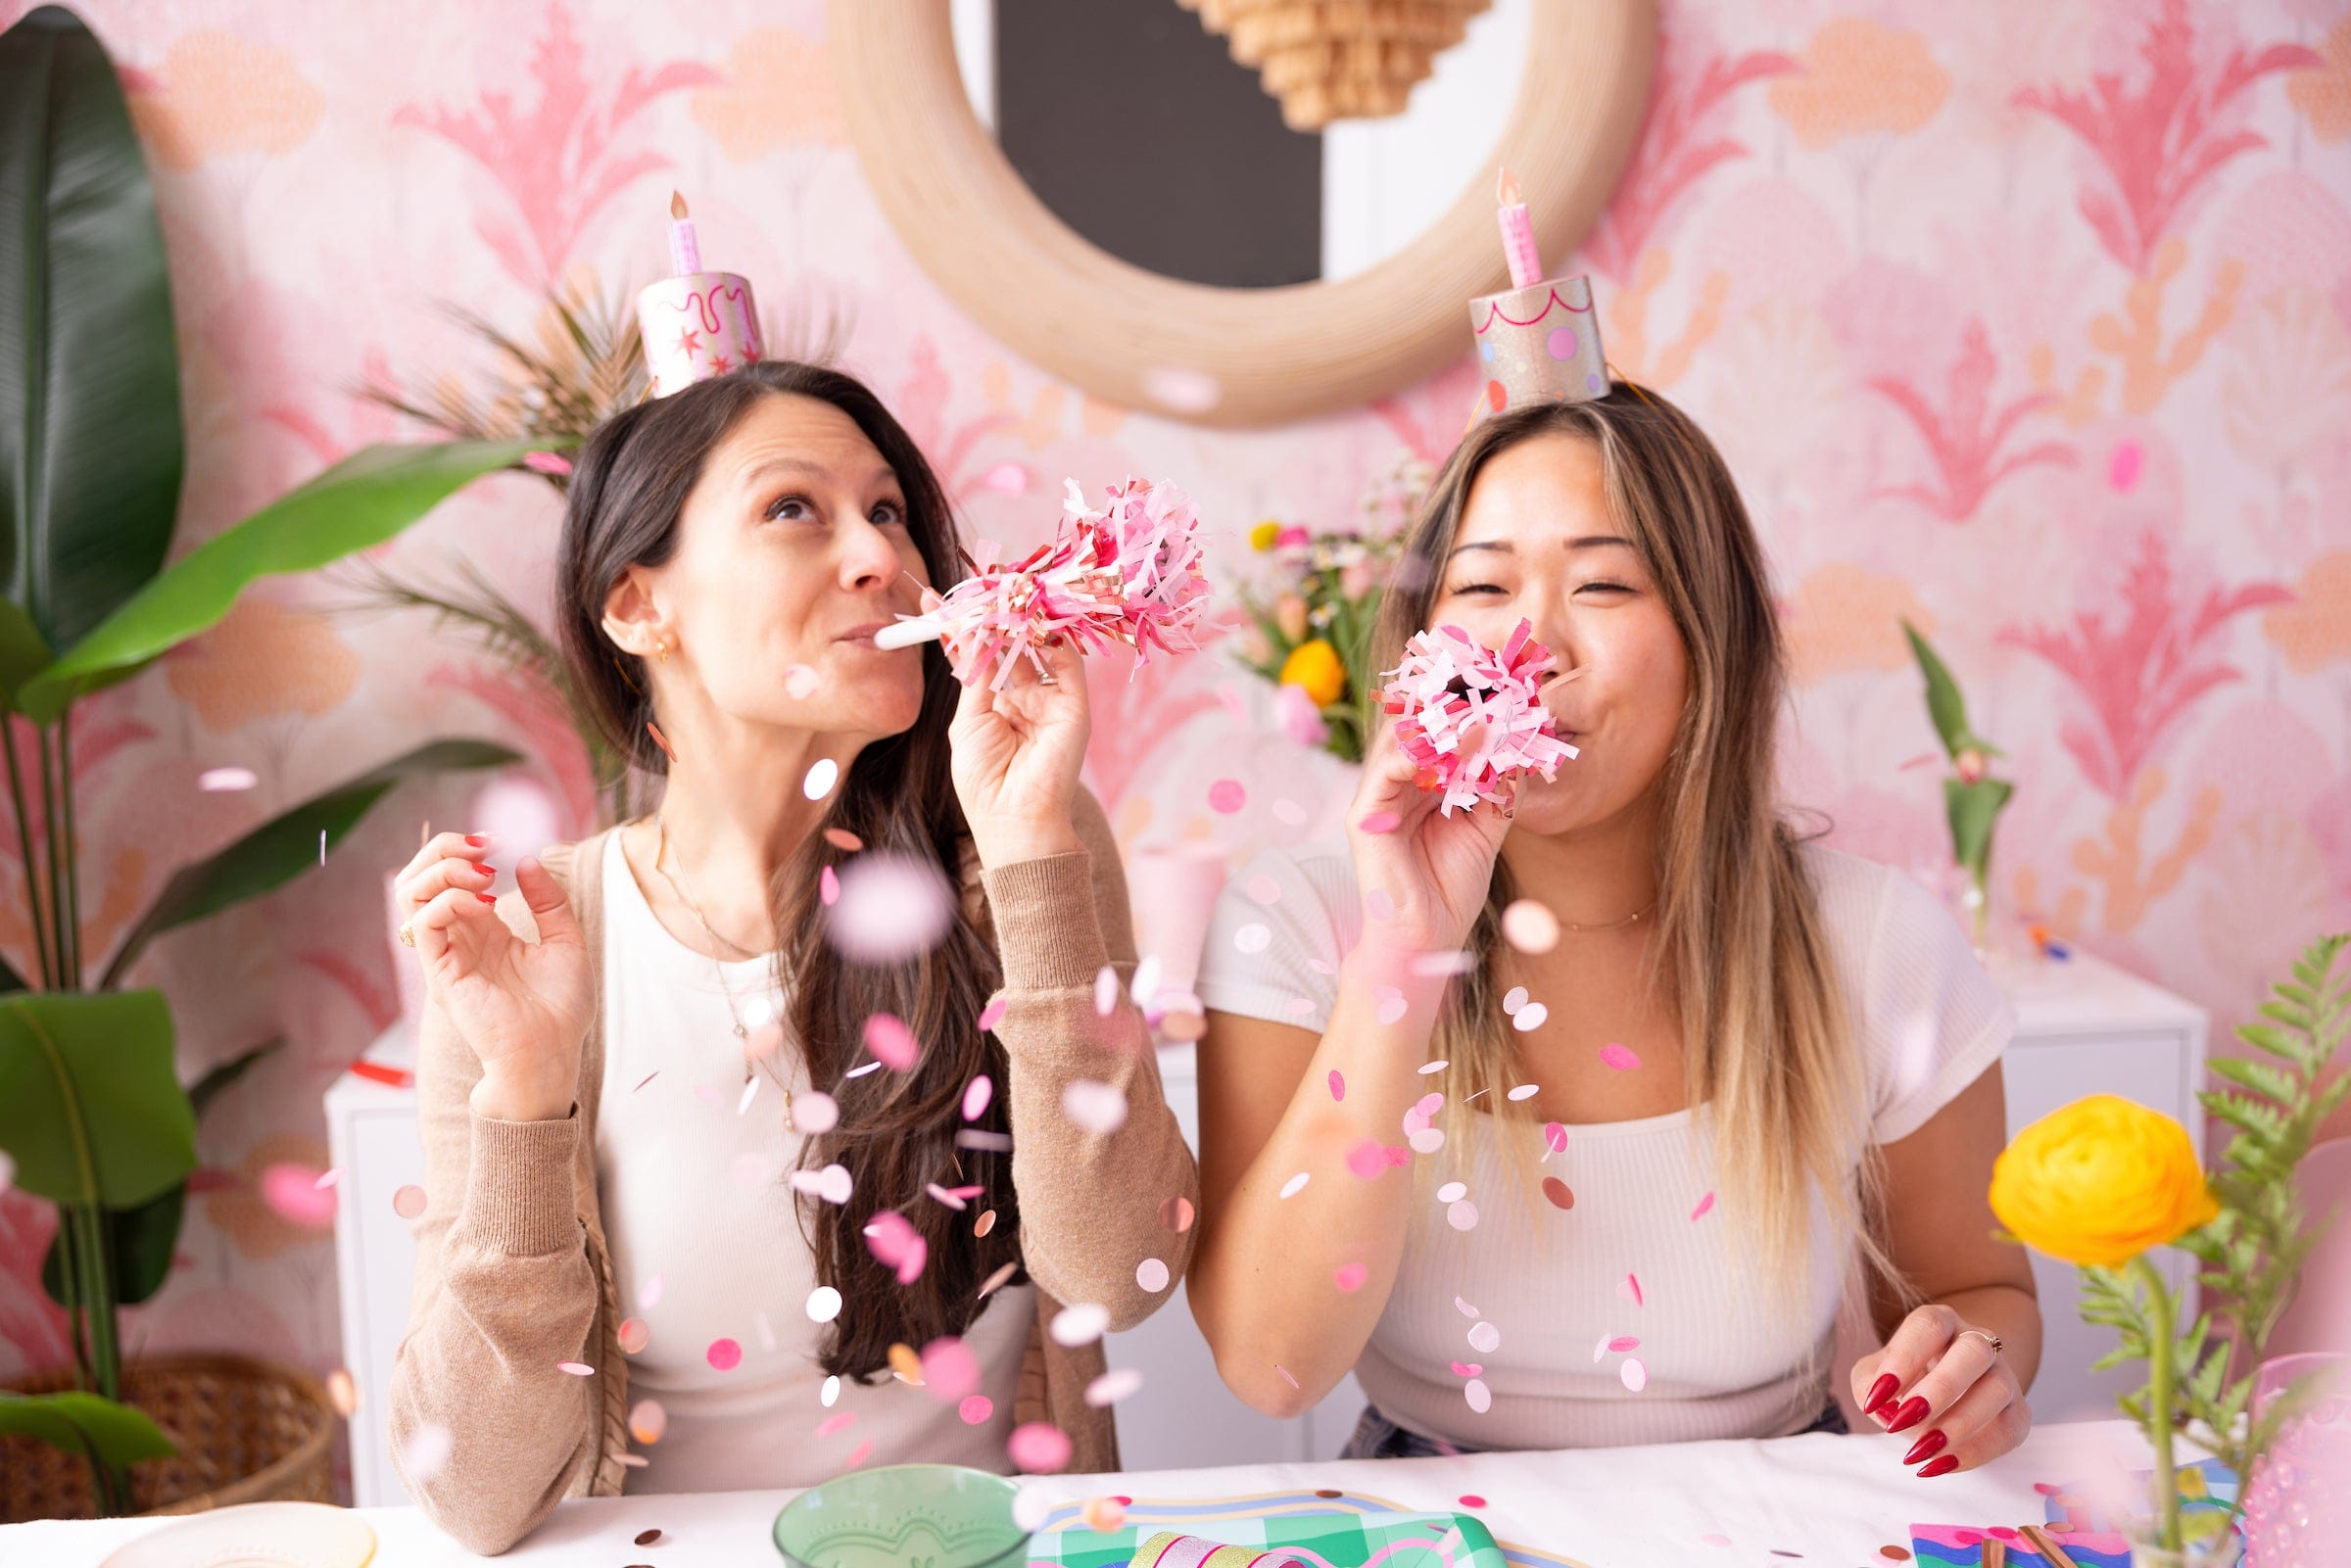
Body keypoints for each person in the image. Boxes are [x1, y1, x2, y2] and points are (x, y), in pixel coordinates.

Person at [387, 360, 1196, 1553]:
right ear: (635, 605)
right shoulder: (534, 938)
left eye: (886, 511)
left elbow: (1124, 1272)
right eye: (792, 510)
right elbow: (471, 1494)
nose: (881, 557)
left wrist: (1033, 857)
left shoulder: (1014, 859)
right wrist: (525, 1090)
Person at [1189, 388, 2039, 1476]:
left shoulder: (1873, 939)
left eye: (1602, 583)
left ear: (1710, 641)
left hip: (1774, 1507)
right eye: (1484, 585)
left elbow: (1981, 1290)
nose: (1530, 645)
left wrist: (1971, 1369)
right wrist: (1406, 949)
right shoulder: (1301, 923)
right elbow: (1271, 1368)